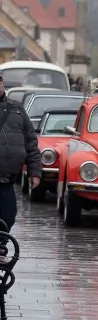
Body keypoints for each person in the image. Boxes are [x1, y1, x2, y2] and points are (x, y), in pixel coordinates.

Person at [0, 69, 42, 242]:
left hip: (7, 179)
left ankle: (0, 246)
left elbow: (30, 142)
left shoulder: (16, 108)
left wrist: (35, 172)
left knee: (8, 217)